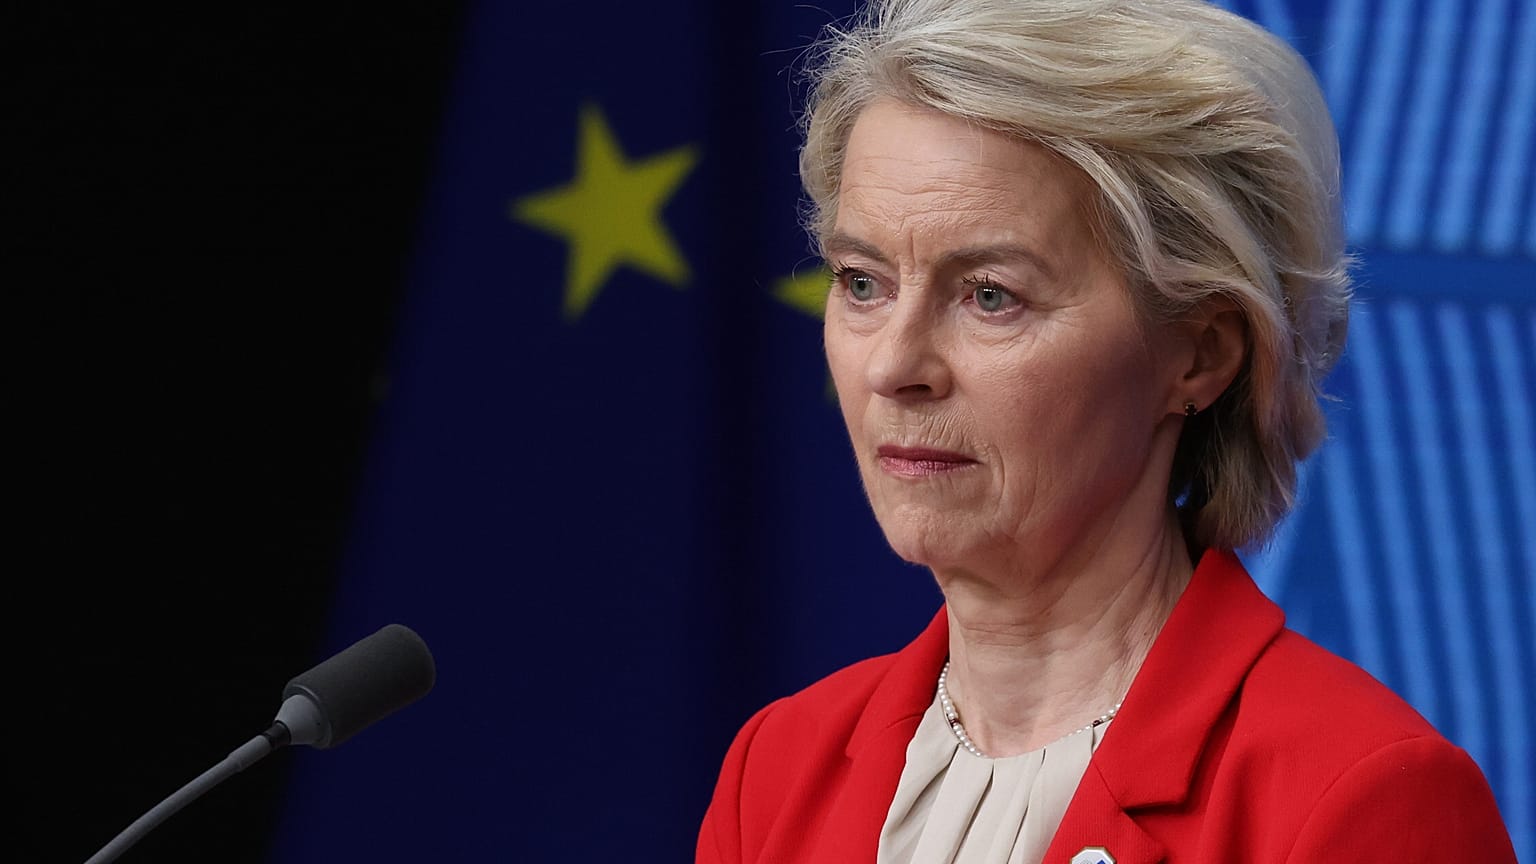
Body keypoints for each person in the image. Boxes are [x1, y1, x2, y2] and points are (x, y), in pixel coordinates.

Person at [696, 1, 1518, 862]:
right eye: (862, 282)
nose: (893, 366)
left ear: (1200, 354)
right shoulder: (778, 769)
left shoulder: (1361, 796)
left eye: (989, 295)